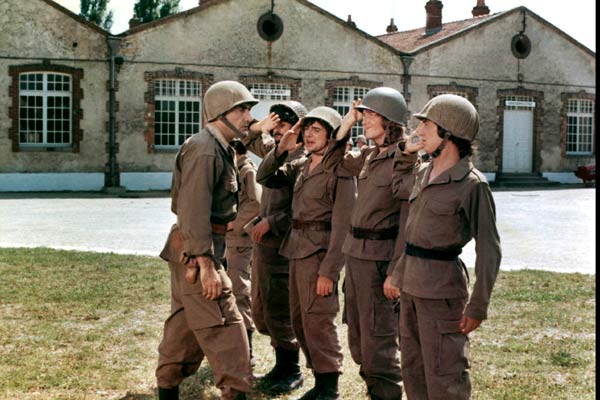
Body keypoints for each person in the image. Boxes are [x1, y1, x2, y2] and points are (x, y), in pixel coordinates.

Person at [387, 94, 502, 400]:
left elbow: (490, 249)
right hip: (411, 286)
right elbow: (408, 223)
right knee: (413, 368)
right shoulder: (424, 172)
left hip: (442, 292)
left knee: (445, 375)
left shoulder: (472, 184)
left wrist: (478, 305)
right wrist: (397, 276)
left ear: (449, 134)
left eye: (426, 124)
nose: (419, 131)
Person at [155, 80, 259, 400]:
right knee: (227, 329)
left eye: (248, 110)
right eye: (241, 109)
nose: (248, 117)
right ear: (219, 113)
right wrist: (206, 264)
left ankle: (167, 388)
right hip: (197, 252)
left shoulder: (219, 147)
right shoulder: (204, 149)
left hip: (196, 247)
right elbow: (193, 211)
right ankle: (236, 391)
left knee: (184, 327)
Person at [256, 107, 356, 400]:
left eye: (317, 130)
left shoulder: (340, 171)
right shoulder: (301, 164)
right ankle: (318, 379)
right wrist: (280, 149)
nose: (309, 135)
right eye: (307, 129)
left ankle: (329, 386)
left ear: (331, 136)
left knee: (319, 319)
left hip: (319, 252)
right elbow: (266, 177)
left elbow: (342, 227)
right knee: (300, 319)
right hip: (297, 249)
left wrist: (329, 270)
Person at [326, 87, 412, 400]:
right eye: (365, 114)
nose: (366, 120)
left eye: (372, 114)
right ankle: (374, 390)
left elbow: (406, 221)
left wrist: (396, 271)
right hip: (357, 257)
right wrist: (347, 122)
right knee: (360, 341)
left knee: (380, 343)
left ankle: (386, 393)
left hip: (381, 262)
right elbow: (332, 163)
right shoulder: (368, 155)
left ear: (390, 121)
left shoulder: (404, 160)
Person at [242, 101, 308, 395]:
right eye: (277, 125)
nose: (278, 130)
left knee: (280, 307)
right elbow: (243, 141)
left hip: (286, 244)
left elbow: (307, 209)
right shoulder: (277, 152)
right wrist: (259, 128)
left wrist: (273, 221)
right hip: (266, 246)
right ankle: (280, 365)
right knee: (263, 306)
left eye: (284, 125)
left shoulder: (305, 158)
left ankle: (291, 368)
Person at [225, 139, 261, 369]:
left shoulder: (247, 171)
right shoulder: (234, 170)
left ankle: (247, 351)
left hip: (240, 241)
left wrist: (233, 224)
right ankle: (233, 346)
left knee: (240, 292)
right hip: (229, 241)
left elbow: (257, 204)